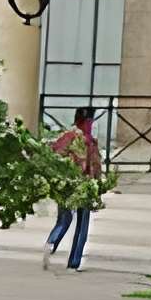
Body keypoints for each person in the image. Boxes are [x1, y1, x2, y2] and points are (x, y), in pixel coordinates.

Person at [44, 107, 106, 272]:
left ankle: (51, 242)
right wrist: (98, 184)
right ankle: (74, 261)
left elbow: (54, 154)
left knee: (64, 219)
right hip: (85, 186)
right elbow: (96, 166)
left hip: (67, 184)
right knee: (82, 225)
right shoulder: (90, 142)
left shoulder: (67, 137)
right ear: (88, 122)